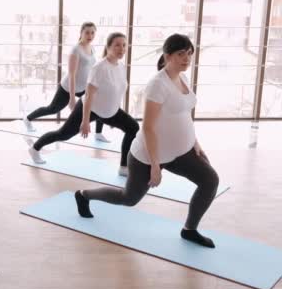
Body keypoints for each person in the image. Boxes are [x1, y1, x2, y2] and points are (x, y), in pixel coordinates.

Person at [74, 34, 219, 248]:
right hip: (148, 155)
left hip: (182, 151)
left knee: (210, 181)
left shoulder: (183, 78)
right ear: (168, 55)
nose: (186, 58)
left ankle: (189, 230)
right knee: (128, 198)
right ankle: (84, 195)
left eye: (189, 54)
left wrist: (196, 143)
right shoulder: (157, 85)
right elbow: (149, 127)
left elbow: (184, 114)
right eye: (181, 54)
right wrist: (155, 165)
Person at [27, 32, 139, 176]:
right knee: (63, 134)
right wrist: (85, 121)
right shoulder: (99, 68)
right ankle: (35, 148)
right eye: (117, 45)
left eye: (124, 45)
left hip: (109, 111)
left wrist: (115, 112)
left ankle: (124, 167)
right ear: (108, 47)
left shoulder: (121, 67)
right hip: (90, 108)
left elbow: (118, 91)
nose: (122, 49)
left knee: (133, 128)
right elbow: (90, 96)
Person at [22, 22, 109, 142]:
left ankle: (98, 133)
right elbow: (72, 75)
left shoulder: (92, 48)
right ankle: (27, 118)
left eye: (93, 33)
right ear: (81, 33)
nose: (90, 35)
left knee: (97, 105)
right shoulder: (76, 50)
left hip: (85, 87)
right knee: (52, 109)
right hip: (69, 87)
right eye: (87, 32)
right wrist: (72, 98)